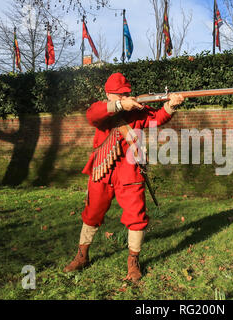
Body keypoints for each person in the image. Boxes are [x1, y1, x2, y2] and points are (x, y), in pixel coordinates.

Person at [63, 72, 184, 282]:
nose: (122, 97)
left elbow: (156, 119)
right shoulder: (101, 109)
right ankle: (82, 255)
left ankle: (133, 260)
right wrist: (120, 106)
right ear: (108, 94)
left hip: (130, 169)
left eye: (125, 94)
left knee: (136, 216)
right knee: (92, 213)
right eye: (117, 95)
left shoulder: (138, 109)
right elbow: (93, 115)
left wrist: (171, 105)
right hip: (103, 167)